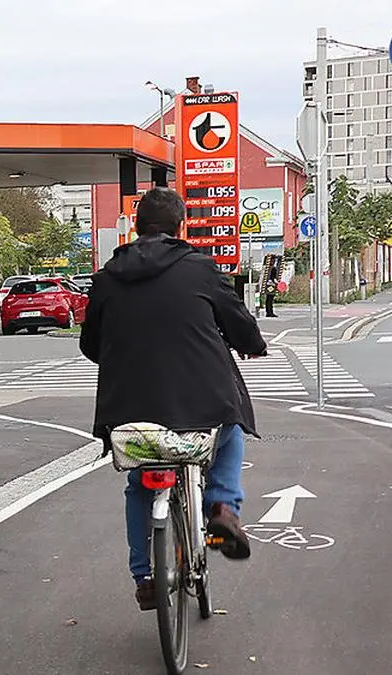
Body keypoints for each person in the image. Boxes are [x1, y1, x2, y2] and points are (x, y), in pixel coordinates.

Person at [79, 187, 264, 611]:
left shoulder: (107, 278)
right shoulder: (200, 269)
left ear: (136, 227)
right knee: (230, 428)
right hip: (202, 401)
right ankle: (222, 510)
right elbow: (237, 322)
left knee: (138, 484)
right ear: (182, 227)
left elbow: (91, 345)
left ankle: (144, 577)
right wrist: (252, 344)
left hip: (129, 409)